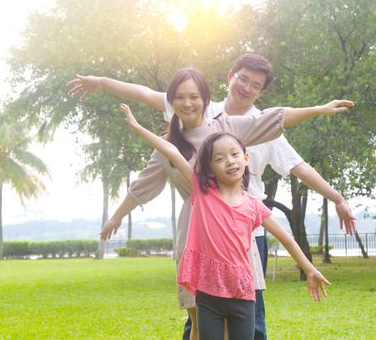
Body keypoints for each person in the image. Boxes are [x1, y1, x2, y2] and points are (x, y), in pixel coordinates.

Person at [68, 53, 357, 340]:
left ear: (204, 98)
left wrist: (318, 109)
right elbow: (142, 181)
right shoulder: (170, 143)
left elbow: (277, 120)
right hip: (195, 233)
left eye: (194, 97)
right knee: (197, 321)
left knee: (244, 320)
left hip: (238, 232)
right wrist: (117, 216)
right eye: (179, 98)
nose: (187, 103)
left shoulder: (226, 126)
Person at [117, 103, 330, 340]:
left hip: (242, 295)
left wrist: (309, 269)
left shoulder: (253, 205)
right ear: (209, 168)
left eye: (234, 154)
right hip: (209, 297)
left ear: (246, 158)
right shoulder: (202, 193)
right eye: (219, 158)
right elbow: (172, 153)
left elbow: (285, 239)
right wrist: (137, 127)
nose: (229, 161)